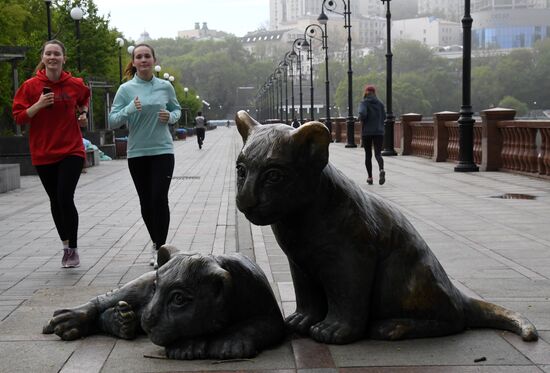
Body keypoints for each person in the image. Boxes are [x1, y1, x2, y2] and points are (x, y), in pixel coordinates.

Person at [12, 39, 90, 268]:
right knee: (55, 200)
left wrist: (83, 113)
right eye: (49, 53)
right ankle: (65, 247)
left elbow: (85, 97)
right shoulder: (30, 86)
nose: (53, 57)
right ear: (43, 58)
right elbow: (18, 117)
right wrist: (38, 105)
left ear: (63, 58)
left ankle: (73, 249)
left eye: (57, 53)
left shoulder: (74, 83)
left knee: (65, 197)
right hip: (43, 152)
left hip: (71, 149)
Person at [108, 43, 181, 268]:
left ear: (154, 60)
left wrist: (169, 116)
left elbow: (177, 111)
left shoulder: (165, 86)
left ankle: (161, 248)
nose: (143, 60)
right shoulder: (126, 90)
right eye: (138, 57)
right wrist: (130, 108)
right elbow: (112, 121)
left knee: (159, 197)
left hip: (163, 151)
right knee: (146, 201)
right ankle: (155, 242)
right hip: (137, 153)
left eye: (147, 56)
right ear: (134, 62)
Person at [358, 84, 386, 185]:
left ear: (366, 92)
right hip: (379, 132)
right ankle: (381, 169)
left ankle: (370, 177)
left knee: (368, 155)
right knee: (378, 153)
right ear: (374, 93)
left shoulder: (364, 103)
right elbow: (384, 117)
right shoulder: (380, 104)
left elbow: (363, 114)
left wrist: (360, 118)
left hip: (367, 132)